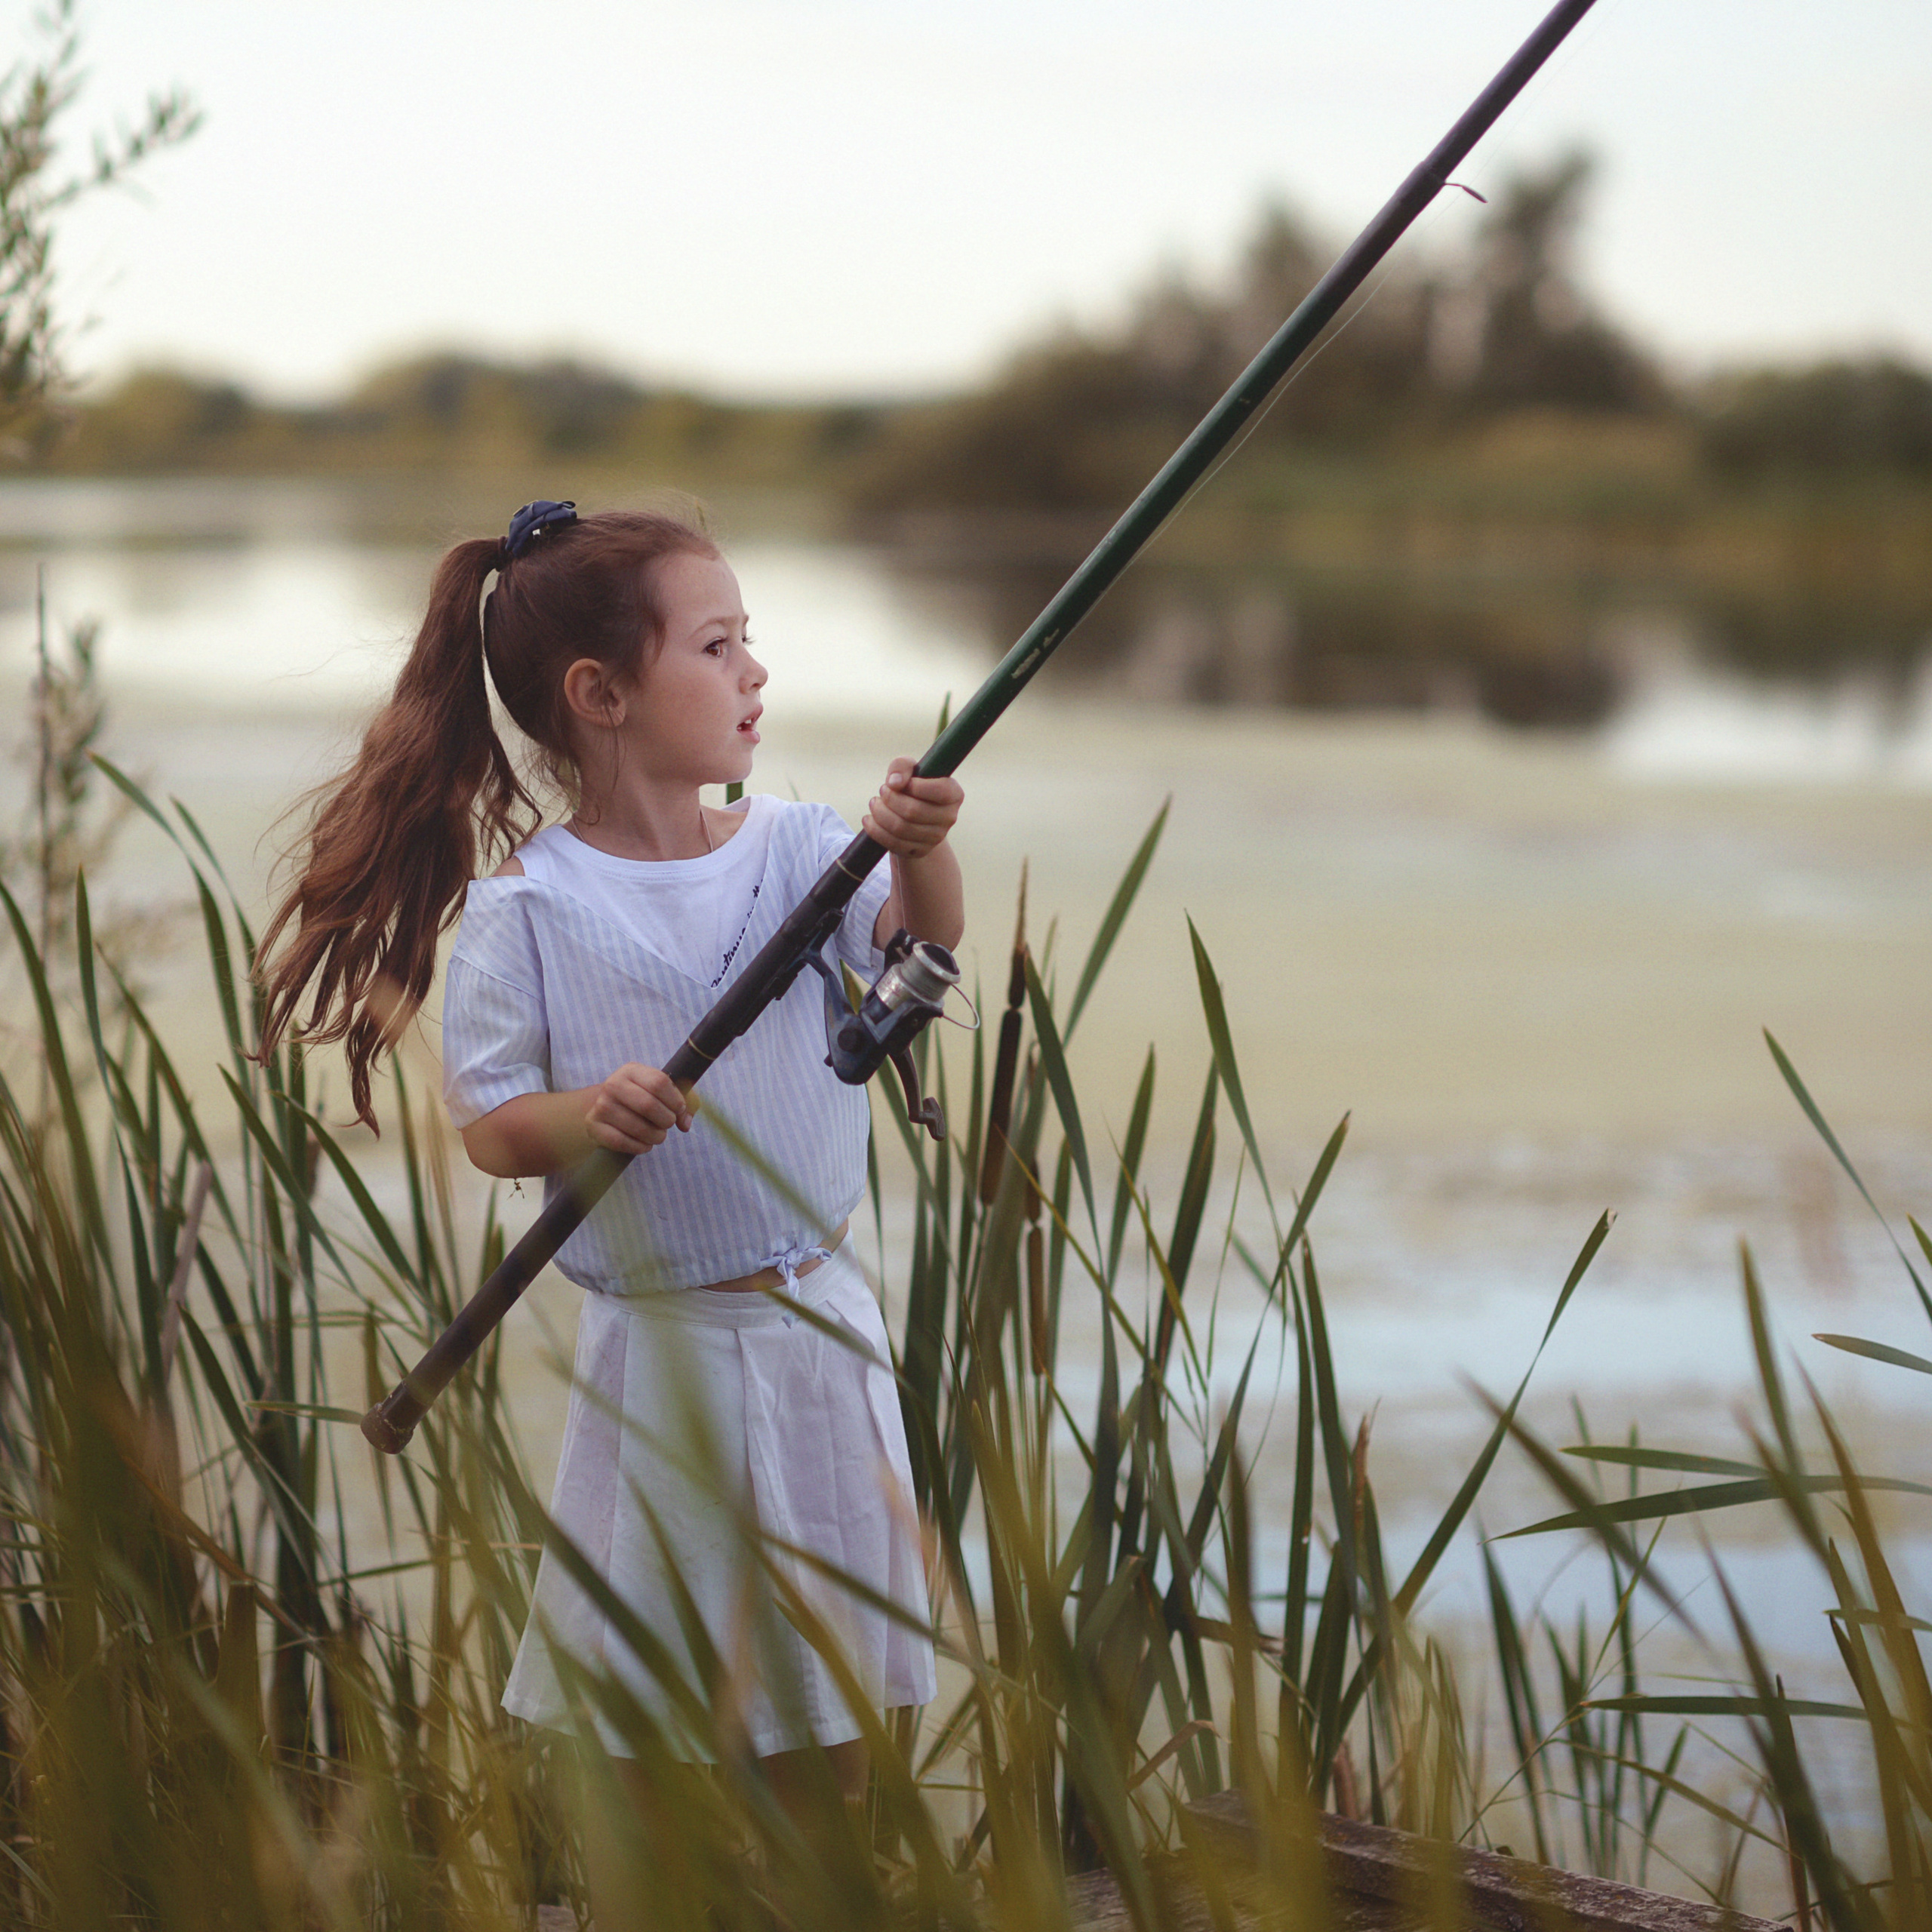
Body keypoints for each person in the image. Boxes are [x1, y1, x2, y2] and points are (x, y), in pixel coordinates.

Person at [255, 500, 960, 1823]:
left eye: (750, 639)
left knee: (837, 1716)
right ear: (601, 693)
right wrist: (590, 1111)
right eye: (715, 645)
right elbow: (492, 1124)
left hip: (820, 1335)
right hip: (668, 1353)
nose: (755, 671)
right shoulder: (532, 909)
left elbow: (918, 956)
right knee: (663, 1720)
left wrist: (922, 851)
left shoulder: (810, 851)